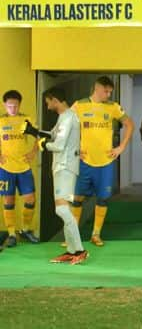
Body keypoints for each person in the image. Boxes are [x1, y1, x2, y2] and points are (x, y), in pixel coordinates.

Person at [71, 76, 134, 247]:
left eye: (110, 91)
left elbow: (129, 124)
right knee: (77, 198)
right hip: (84, 161)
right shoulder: (79, 105)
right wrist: (74, 149)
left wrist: (121, 147)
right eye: (106, 91)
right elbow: (66, 127)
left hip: (105, 162)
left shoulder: (113, 107)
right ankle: (73, 236)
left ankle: (96, 234)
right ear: (97, 88)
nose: (108, 94)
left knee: (103, 199)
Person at [41, 87, 88, 264]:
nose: (47, 106)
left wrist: (43, 145)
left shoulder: (68, 117)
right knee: (64, 209)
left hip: (65, 168)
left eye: (48, 102)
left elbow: (58, 145)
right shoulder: (65, 117)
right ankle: (71, 250)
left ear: (55, 100)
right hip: (64, 167)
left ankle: (80, 250)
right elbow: (53, 135)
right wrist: (35, 132)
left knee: (61, 210)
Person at [0, 90, 38, 247]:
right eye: (10, 106)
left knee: (30, 199)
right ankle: (11, 234)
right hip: (5, 168)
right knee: (9, 200)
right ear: (4, 105)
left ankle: (26, 229)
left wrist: (33, 152)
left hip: (24, 167)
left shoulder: (26, 120)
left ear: (19, 105)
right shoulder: (1, 121)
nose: (13, 109)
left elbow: (39, 136)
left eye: (15, 106)